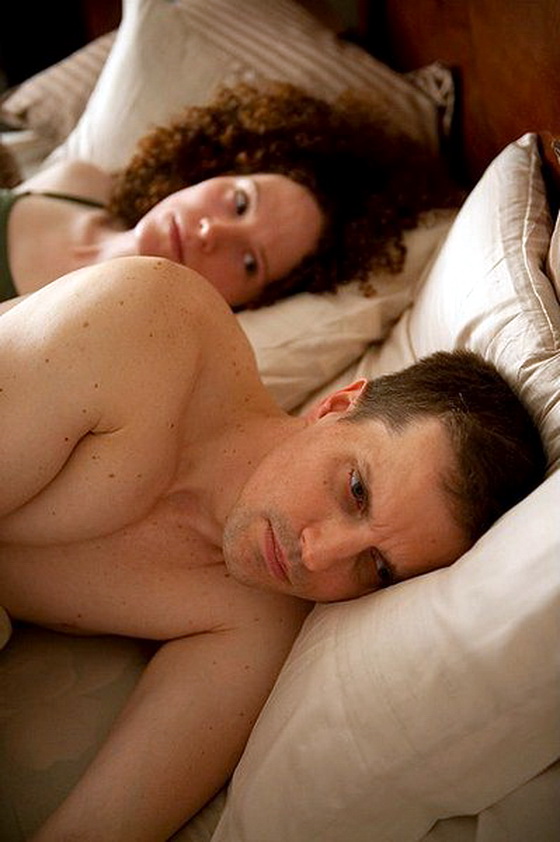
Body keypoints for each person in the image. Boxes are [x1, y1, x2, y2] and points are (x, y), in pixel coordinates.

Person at [0, 256, 546, 841]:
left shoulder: (261, 615)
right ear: (337, 406)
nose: (319, 556)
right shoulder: (150, 329)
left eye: (378, 567)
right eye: (355, 491)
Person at [0, 80, 457, 310]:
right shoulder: (77, 182)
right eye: (240, 203)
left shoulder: (110, 350)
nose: (212, 233)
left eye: (249, 263)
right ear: (207, 170)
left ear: (244, 305)